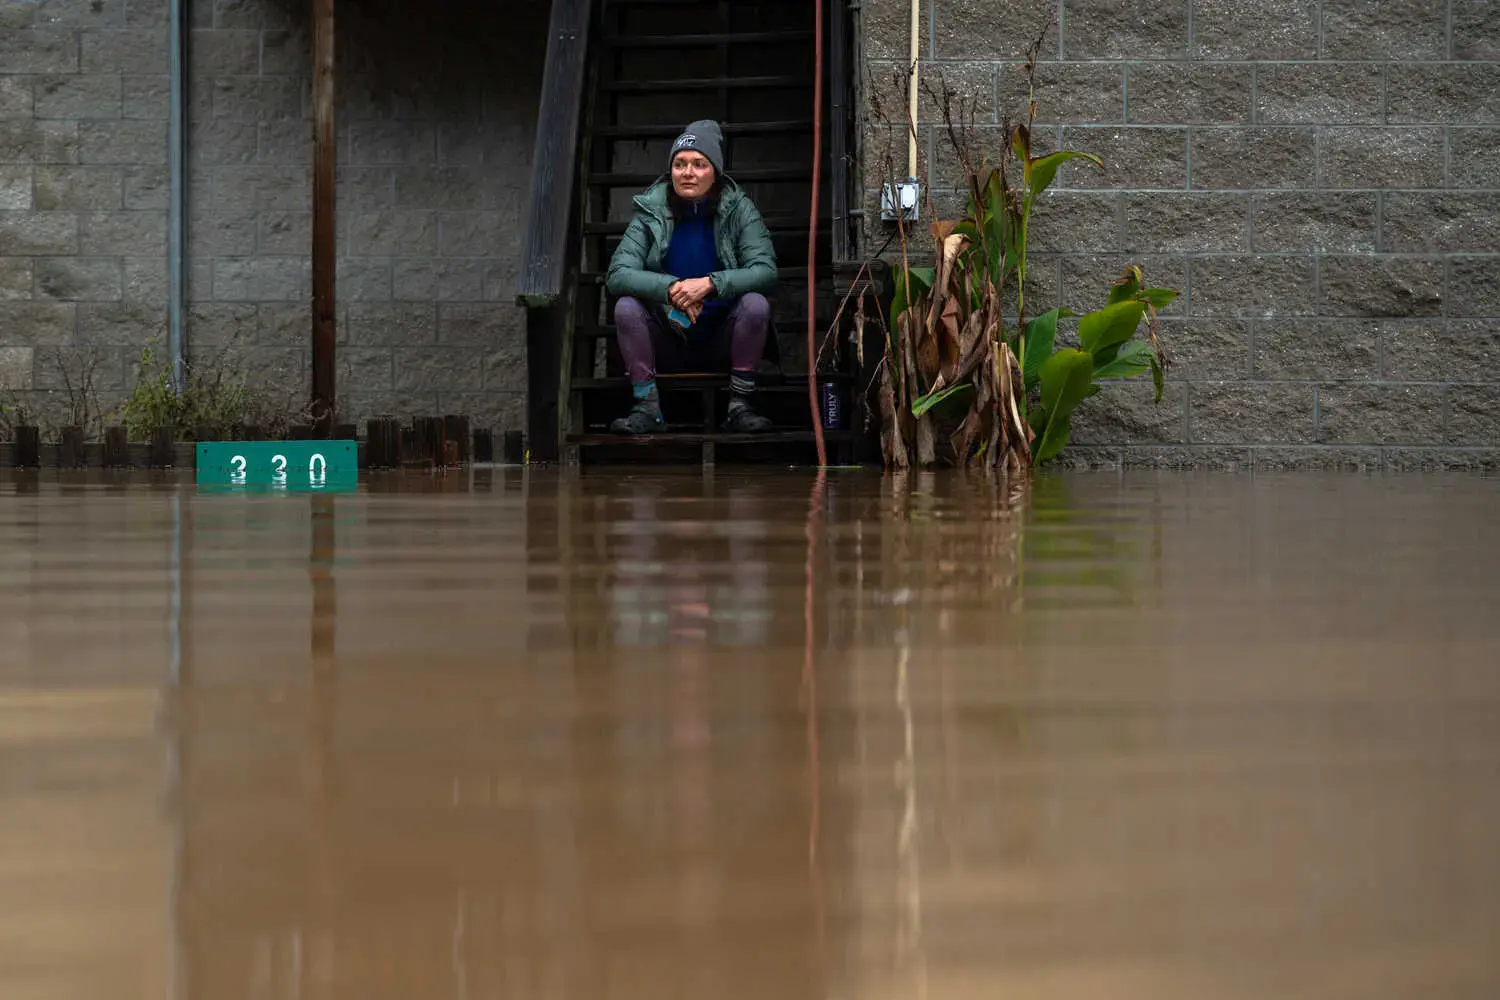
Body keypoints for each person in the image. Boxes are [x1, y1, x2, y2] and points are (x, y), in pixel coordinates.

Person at [604, 119, 778, 435]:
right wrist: (670, 288)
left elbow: (765, 272)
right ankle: (647, 407)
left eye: (699, 164)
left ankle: (740, 405)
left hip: (722, 337)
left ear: (716, 172)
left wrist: (710, 284)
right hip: (667, 337)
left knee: (755, 304)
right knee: (626, 307)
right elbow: (618, 273)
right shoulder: (652, 209)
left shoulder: (740, 209)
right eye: (680, 164)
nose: (688, 172)